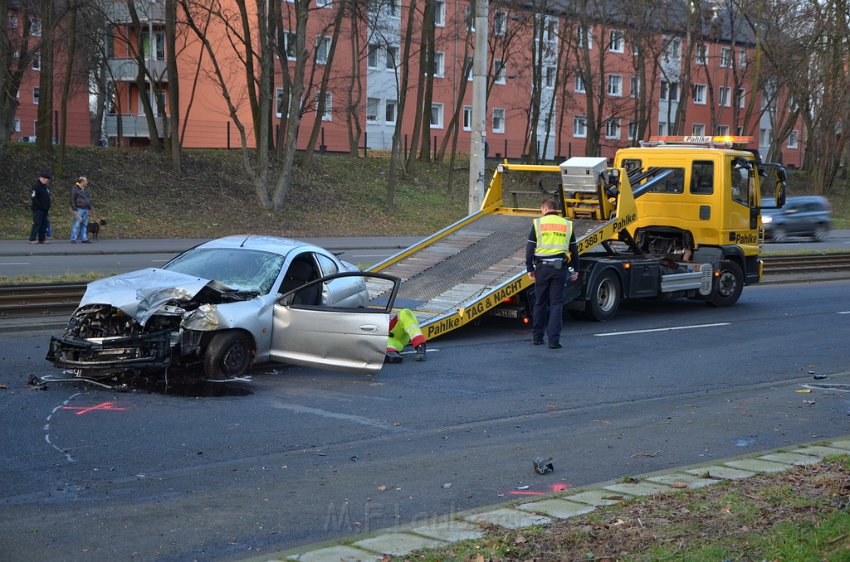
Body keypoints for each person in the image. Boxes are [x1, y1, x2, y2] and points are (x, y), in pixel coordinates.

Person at [525, 198, 579, 349]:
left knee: (540, 303)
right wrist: (576, 269)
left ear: (544, 209)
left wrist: (530, 268)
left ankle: (537, 338)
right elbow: (574, 250)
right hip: (559, 269)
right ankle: (554, 341)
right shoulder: (567, 225)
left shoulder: (538, 224)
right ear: (556, 209)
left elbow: (530, 249)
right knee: (556, 304)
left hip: (542, 269)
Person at [28, 171, 52, 244]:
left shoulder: (45, 187)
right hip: (38, 209)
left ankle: (42, 239)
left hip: (45, 210)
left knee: (44, 224)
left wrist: (47, 207)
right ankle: (32, 239)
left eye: (47, 180)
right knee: (37, 224)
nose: (47, 182)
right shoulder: (36, 186)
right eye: (46, 180)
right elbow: (34, 198)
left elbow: (47, 198)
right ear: (42, 178)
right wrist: (41, 206)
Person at [69, 176, 92, 243]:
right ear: (82, 181)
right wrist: (74, 209)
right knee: (76, 224)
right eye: (86, 181)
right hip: (79, 209)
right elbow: (72, 200)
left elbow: (87, 200)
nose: (87, 182)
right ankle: (73, 238)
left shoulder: (84, 189)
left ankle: (84, 238)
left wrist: (89, 209)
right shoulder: (75, 188)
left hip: (86, 209)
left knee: (84, 224)